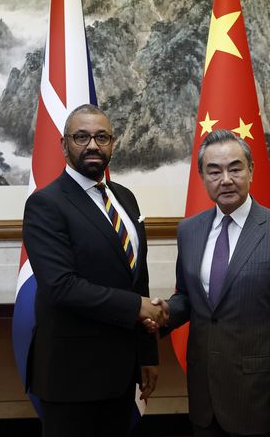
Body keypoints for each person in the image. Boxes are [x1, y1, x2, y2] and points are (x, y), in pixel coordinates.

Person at [149, 129, 270, 437]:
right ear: (202, 176)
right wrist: (165, 311)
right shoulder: (189, 231)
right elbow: (189, 296)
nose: (225, 179)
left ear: (251, 170)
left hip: (258, 398)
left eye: (235, 168)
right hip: (204, 394)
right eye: (214, 171)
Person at [22, 104, 166, 437]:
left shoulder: (125, 198)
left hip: (121, 373)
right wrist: (136, 307)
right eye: (81, 137)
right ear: (63, 145)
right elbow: (61, 286)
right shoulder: (47, 204)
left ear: (112, 144)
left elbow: (137, 280)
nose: (92, 145)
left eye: (101, 137)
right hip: (72, 376)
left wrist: (147, 354)